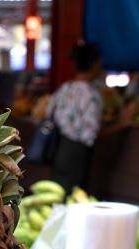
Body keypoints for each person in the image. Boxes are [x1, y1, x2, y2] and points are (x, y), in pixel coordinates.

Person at [47, 42, 104, 193]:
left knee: (56, 193)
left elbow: (49, 112)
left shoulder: (65, 88)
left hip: (58, 147)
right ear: (94, 64)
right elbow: (90, 134)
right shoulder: (92, 95)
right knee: (73, 195)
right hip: (77, 152)